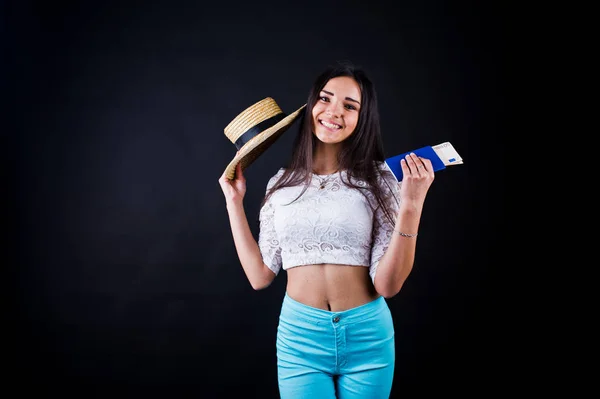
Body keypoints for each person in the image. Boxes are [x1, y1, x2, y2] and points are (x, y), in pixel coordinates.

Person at [218, 61, 435, 399]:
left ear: (363, 119)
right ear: (311, 106)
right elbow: (260, 276)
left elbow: (388, 286)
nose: (334, 112)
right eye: (325, 98)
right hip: (299, 339)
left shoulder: (381, 181)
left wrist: (412, 204)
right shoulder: (280, 185)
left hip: (368, 336)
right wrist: (234, 203)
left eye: (350, 106)